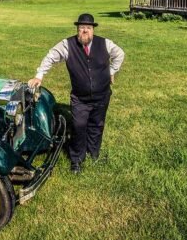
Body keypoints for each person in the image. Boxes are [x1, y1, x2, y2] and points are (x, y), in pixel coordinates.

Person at [28, 13, 125, 174]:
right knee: (79, 126)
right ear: (77, 30)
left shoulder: (105, 43)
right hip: (80, 98)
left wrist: (112, 71)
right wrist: (39, 75)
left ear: (93, 30)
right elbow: (50, 57)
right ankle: (76, 160)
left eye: (88, 28)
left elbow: (120, 54)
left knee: (97, 125)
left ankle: (94, 154)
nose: (84, 31)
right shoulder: (67, 45)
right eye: (81, 28)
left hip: (102, 95)